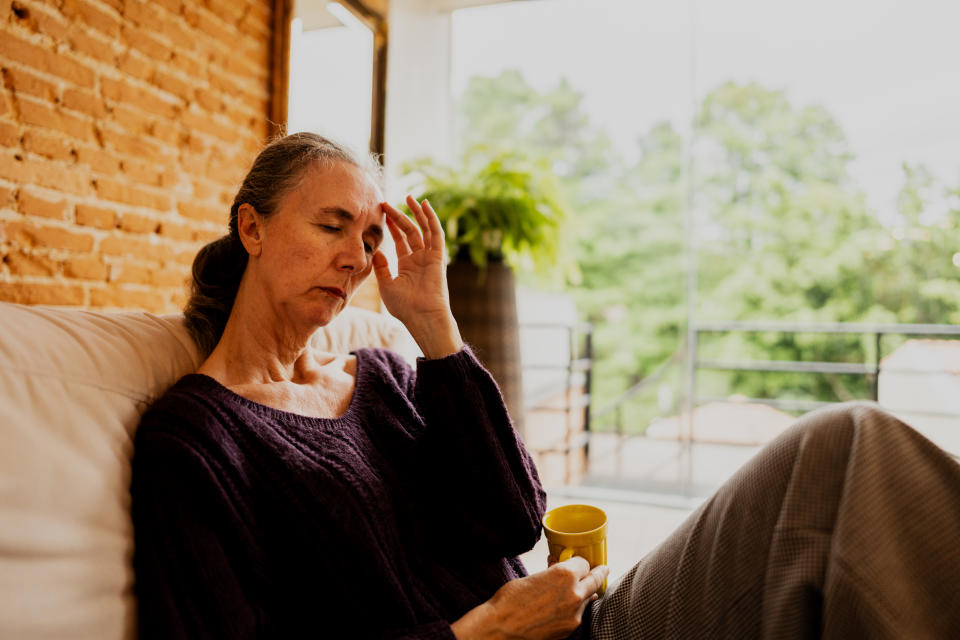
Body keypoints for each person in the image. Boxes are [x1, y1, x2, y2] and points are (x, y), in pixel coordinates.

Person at [131, 132, 960, 640]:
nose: (357, 256)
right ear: (252, 226)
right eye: (331, 225)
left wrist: (436, 331)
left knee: (846, 448)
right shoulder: (195, 443)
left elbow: (514, 516)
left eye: (372, 233)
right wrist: (479, 631)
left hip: (583, 630)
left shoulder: (383, 372)